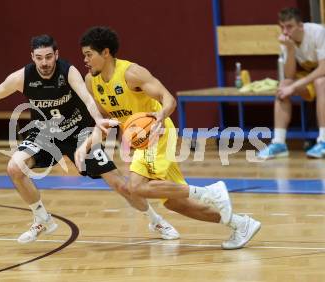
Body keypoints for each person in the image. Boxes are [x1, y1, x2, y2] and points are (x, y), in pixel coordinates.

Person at [0, 34, 180, 244]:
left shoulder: (68, 71)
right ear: (32, 57)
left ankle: (155, 219)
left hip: (78, 133)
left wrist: (98, 119)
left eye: (49, 56)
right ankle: (42, 219)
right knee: (14, 168)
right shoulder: (23, 77)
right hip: (44, 133)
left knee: (119, 184)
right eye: (39, 58)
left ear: (56, 55)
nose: (45, 62)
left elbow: (87, 98)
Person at [76, 26, 261, 249]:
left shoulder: (131, 73)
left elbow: (169, 99)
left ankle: (210, 192)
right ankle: (241, 224)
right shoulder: (91, 81)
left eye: (89, 54)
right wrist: (87, 143)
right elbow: (103, 121)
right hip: (139, 139)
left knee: (136, 188)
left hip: (157, 132)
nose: (85, 60)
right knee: (176, 203)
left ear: (105, 53)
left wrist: (161, 115)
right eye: (84, 55)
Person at [258, 7, 325, 159]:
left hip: (321, 74)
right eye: (282, 27)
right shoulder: (286, 40)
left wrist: (294, 86)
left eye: (289, 26)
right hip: (311, 75)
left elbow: (323, 69)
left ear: (300, 25)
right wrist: (290, 48)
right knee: (283, 86)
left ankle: (323, 140)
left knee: (321, 82)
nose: (285, 31)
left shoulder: (317, 32)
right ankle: (279, 143)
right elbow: (289, 74)